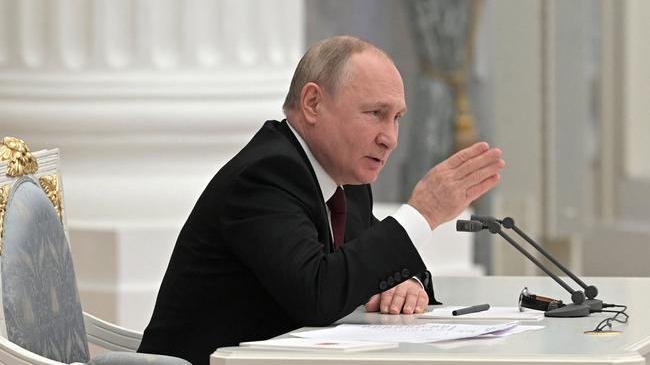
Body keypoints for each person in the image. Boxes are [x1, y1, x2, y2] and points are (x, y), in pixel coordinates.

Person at [138, 36, 505, 365]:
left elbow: (368, 263)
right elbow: (318, 295)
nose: (389, 138)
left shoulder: (346, 181)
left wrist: (406, 283)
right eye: (375, 114)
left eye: (397, 119)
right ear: (313, 102)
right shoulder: (266, 175)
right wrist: (422, 213)